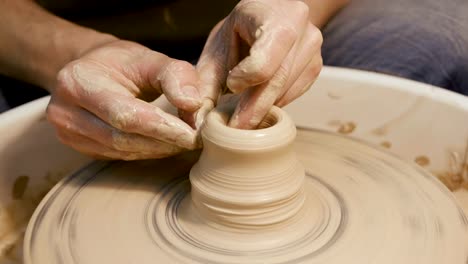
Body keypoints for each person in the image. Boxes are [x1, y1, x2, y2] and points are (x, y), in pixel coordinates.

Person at [0, 0, 349, 160]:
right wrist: (76, 52)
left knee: (400, 35)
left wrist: (297, 8)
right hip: (60, 35)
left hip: (251, 26)